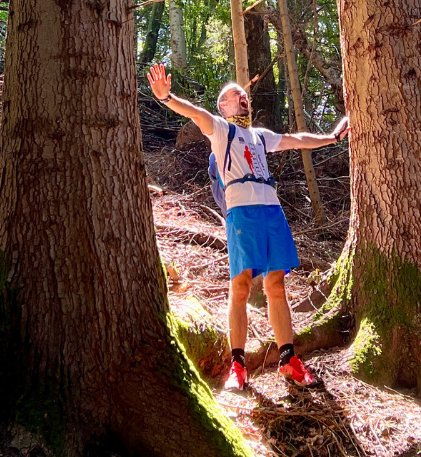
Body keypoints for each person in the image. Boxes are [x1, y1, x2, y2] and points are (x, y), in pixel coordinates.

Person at [147, 62, 348, 390]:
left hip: (272, 210)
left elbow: (295, 139)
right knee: (241, 286)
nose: (242, 98)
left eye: (244, 96)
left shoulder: (259, 136)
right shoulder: (220, 129)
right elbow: (195, 113)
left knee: (276, 285)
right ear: (223, 107)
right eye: (234, 96)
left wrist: (331, 137)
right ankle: (237, 365)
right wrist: (167, 97)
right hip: (242, 213)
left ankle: (288, 359)